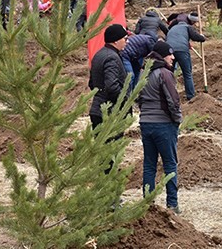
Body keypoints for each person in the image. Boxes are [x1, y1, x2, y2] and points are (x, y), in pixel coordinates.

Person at [137, 40, 182, 214]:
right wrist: (177, 120)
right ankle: (172, 204)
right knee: (170, 163)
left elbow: (137, 96)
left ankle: (148, 203)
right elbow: (173, 100)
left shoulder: (144, 72)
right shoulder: (164, 73)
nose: (172, 57)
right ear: (163, 56)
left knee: (149, 164)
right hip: (163, 124)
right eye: (170, 54)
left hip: (145, 123)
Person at [88, 24, 129, 149]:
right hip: (109, 113)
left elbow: (92, 84)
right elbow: (111, 86)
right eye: (125, 39)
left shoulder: (99, 54)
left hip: (97, 109)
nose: (126, 42)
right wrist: (123, 101)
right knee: (111, 154)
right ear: (116, 41)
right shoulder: (112, 57)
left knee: (102, 154)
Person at [166, 13, 206, 100]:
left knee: (169, 74)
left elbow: (172, 38)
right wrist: (202, 37)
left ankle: (169, 95)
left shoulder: (173, 28)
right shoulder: (187, 27)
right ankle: (191, 96)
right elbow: (196, 37)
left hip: (169, 51)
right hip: (182, 50)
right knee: (187, 74)